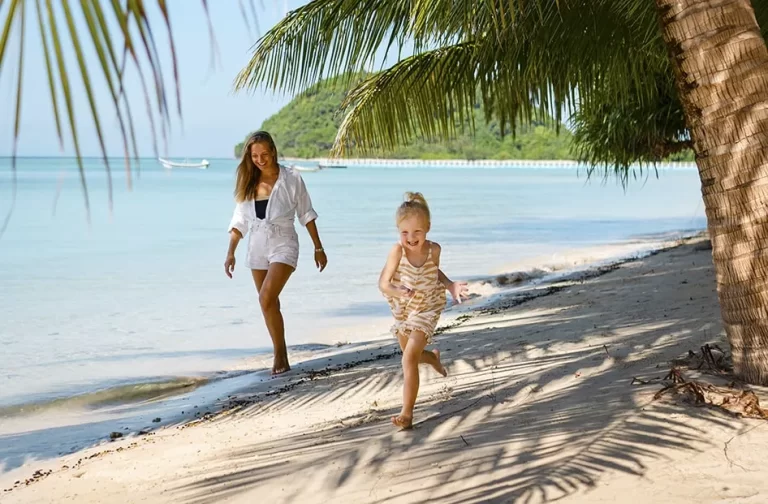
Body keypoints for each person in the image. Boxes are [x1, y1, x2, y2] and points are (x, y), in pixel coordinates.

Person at [225, 131, 328, 375]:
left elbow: (306, 214)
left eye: (264, 154)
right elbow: (239, 222)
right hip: (257, 247)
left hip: (284, 243)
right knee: (270, 303)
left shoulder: (292, 178)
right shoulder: (248, 183)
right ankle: (281, 351)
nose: (260, 159)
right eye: (254, 156)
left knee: (265, 298)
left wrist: (318, 247)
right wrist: (231, 253)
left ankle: (279, 356)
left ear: (273, 150)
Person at [378, 192, 468, 429]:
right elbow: (383, 283)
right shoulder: (397, 252)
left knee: (408, 359)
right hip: (403, 309)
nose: (411, 237)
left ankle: (407, 414)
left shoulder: (434, 249)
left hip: (427, 307)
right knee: (413, 355)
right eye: (405, 232)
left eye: (417, 231)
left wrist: (450, 285)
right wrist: (398, 290)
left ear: (427, 227)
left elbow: (433, 272)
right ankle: (433, 359)